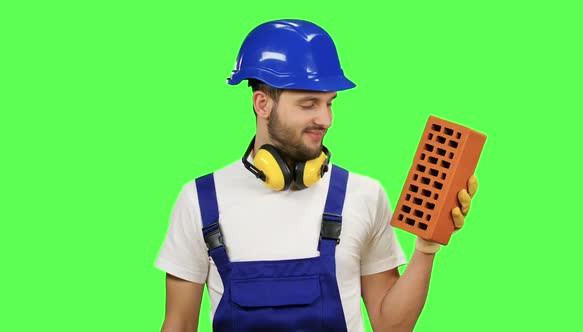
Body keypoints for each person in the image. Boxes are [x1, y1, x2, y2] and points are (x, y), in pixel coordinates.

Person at [155, 19, 478, 332]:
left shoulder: (362, 194)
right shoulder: (200, 200)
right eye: (309, 104)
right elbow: (179, 325)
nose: (325, 119)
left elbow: (392, 326)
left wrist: (426, 248)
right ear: (262, 103)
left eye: (329, 103)